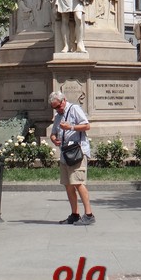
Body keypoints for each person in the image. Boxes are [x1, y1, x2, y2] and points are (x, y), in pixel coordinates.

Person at [49, 91, 94, 226]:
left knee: (78, 182)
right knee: (68, 185)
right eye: (54, 108)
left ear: (64, 100)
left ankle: (89, 215)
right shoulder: (58, 116)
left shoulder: (74, 109)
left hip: (77, 152)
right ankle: (75, 214)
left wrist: (71, 127)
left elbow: (87, 126)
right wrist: (54, 139)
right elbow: (53, 133)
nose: (58, 109)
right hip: (65, 153)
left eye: (58, 106)